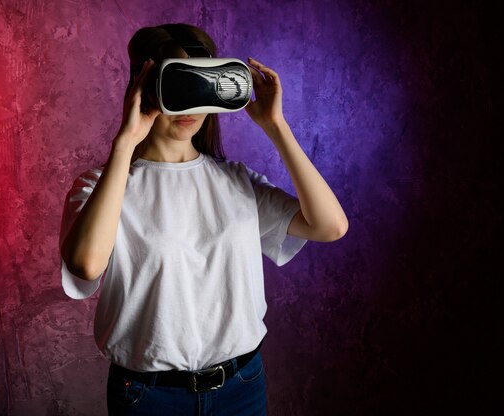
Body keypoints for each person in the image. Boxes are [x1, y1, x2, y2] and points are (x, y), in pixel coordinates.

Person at [59, 23, 348, 416]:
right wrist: (125, 143)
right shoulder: (101, 186)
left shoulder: (236, 181)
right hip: (149, 397)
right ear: (142, 87)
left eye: (201, 86)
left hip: (241, 388)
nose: (190, 108)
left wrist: (275, 127)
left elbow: (330, 225)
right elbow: (86, 264)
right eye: (178, 87)